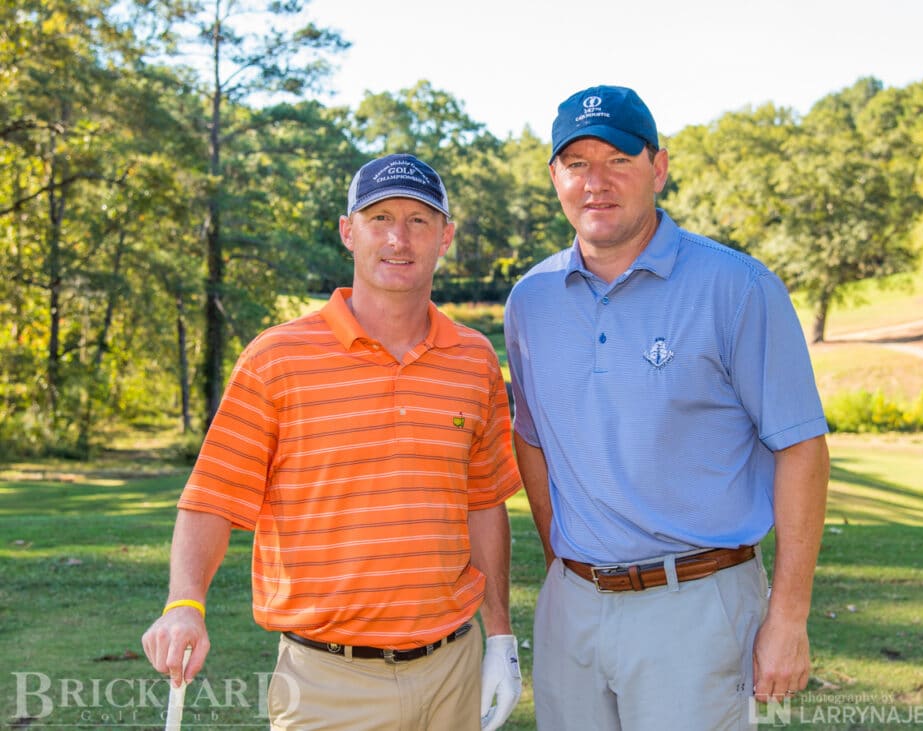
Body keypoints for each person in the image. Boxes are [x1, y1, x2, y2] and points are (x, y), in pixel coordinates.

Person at [142, 153, 523, 731]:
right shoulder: (277, 358)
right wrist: (184, 603)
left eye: (420, 221)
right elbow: (213, 497)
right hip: (327, 683)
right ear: (349, 231)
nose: (399, 238)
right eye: (379, 219)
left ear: (445, 237)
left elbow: (485, 502)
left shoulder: (473, 359)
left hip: (454, 672)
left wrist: (501, 636)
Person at [504, 85, 830, 729]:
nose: (596, 181)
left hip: (696, 606)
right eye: (576, 164)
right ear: (554, 178)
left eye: (618, 159)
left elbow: (801, 448)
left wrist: (788, 616)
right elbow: (533, 439)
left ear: (658, 168)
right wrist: (561, 569)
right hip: (574, 608)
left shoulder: (738, 288)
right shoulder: (530, 301)